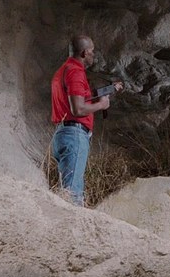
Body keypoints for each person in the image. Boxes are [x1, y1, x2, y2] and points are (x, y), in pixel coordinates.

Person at [50, 35, 122, 206]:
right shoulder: (75, 72)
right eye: (92, 51)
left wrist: (107, 90)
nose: (93, 55)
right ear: (84, 53)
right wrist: (102, 105)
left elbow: (78, 99)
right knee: (72, 196)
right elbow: (78, 109)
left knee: (70, 188)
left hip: (63, 134)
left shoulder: (63, 70)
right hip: (74, 135)